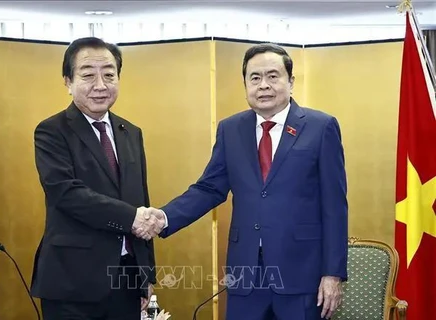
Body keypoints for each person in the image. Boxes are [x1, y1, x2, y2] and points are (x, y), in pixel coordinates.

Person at [136, 43, 348, 320]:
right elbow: (209, 188)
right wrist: (165, 217)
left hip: (301, 273)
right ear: (245, 83)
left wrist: (332, 274)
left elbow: (335, 206)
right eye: (255, 78)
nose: (264, 86)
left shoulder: (321, 127)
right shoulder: (230, 129)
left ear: (291, 82)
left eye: (273, 76)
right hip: (245, 275)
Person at [30, 37, 165, 320]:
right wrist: (131, 217)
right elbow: (66, 193)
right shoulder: (51, 131)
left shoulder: (131, 132)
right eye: (88, 75)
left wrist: (146, 274)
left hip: (126, 279)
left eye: (109, 74)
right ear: (68, 81)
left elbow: (140, 198)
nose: (100, 85)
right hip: (72, 281)